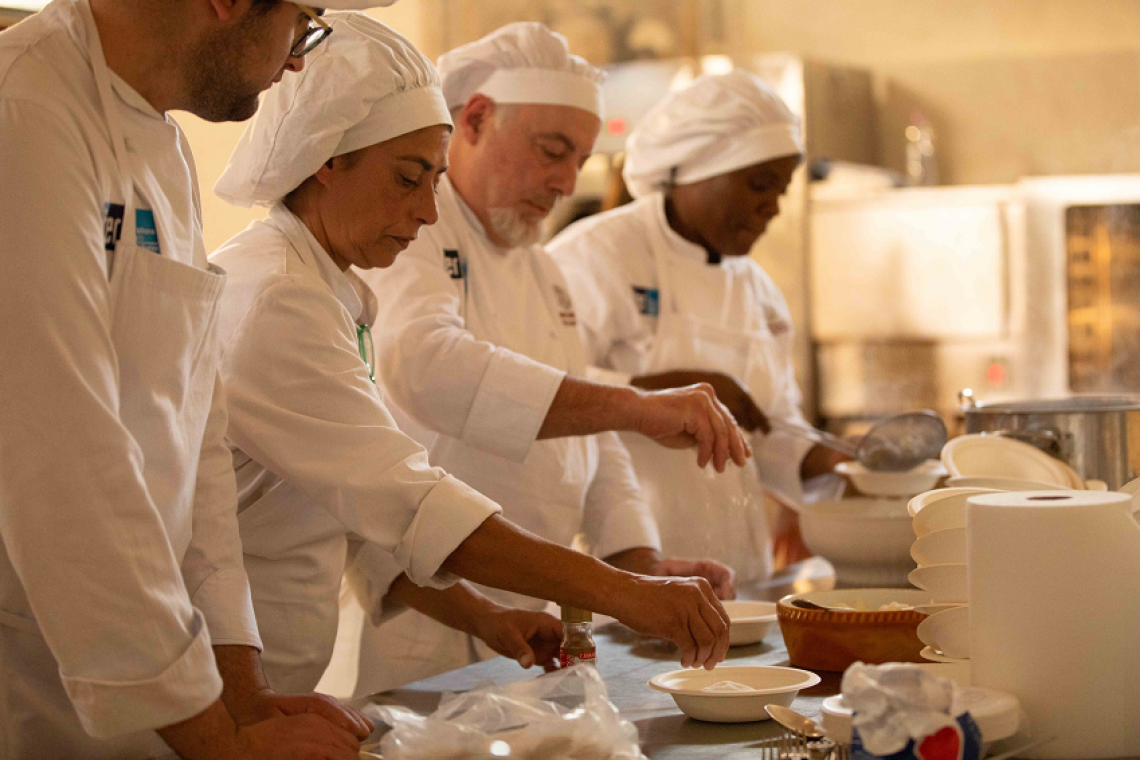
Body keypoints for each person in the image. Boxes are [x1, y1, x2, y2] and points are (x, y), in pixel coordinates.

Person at [210, 13, 735, 698]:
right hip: (226, 688)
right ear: (325, 159)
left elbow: (350, 509)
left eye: (432, 180)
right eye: (407, 179)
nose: (427, 212)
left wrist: (488, 614)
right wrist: (623, 590)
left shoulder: (328, 287)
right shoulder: (277, 294)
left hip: (278, 680)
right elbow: (400, 488)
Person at [0, 1, 396, 758]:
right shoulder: (23, 110)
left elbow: (197, 442)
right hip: (35, 669)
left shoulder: (166, 150)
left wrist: (240, 696)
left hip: (162, 672)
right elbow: (60, 454)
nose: (297, 58)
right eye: (303, 22)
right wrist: (219, 740)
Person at [549, 70, 850, 586]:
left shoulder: (758, 290)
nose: (772, 208)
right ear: (691, 170)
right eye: (759, 185)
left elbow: (771, 432)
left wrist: (849, 466)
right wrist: (666, 392)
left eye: (781, 190)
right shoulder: (596, 256)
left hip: (738, 570)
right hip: (621, 571)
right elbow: (542, 393)